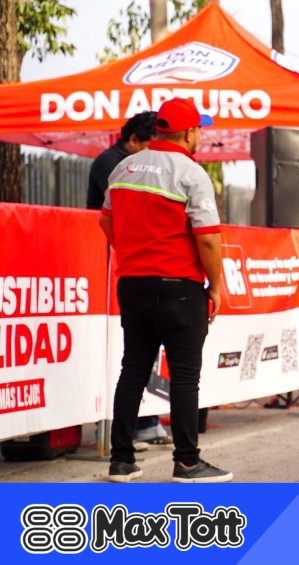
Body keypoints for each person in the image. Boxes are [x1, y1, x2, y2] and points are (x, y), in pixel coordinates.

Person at [98, 98, 232, 483]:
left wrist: (133, 253)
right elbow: (208, 239)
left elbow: (106, 223)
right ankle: (187, 463)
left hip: (132, 283)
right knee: (185, 377)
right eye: (199, 129)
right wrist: (215, 287)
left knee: (133, 370)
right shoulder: (190, 173)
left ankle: (121, 461)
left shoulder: (124, 167)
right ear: (189, 133)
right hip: (179, 287)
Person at [86, 111, 173, 451]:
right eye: (151, 143)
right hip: (117, 264)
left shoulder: (139, 162)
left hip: (134, 265)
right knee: (131, 357)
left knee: (139, 355)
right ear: (134, 140)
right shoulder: (114, 163)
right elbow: (126, 212)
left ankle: (144, 423)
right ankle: (128, 430)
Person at [87, 111, 158, 210]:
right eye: (154, 146)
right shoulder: (109, 161)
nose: (159, 151)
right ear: (134, 140)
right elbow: (120, 203)